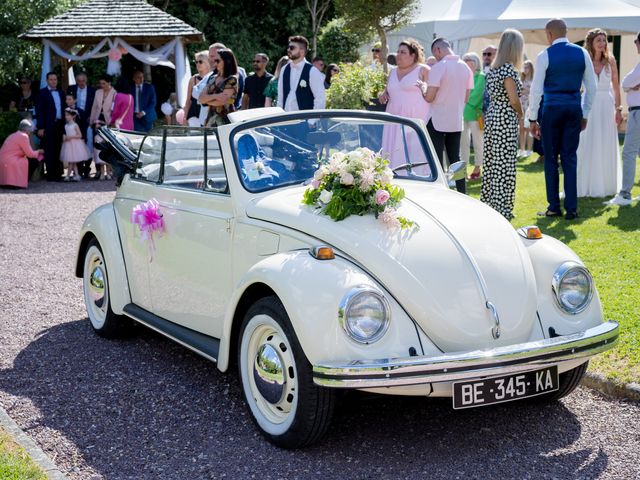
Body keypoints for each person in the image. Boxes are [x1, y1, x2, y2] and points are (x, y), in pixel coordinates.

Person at [529, 18, 597, 220]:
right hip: (573, 109)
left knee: (551, 158)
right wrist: (585, 113)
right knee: (570, 157)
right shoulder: (582, 53)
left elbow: (536, 90)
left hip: (551, 110)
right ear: (566, 32)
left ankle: (553, 207)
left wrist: (532, 118)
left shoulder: (545, 55)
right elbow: (591, 88)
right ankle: (572, 208)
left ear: (549, 34)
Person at [480, 29, 525, 220]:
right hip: (505, 118)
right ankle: (501, 207)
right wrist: (521, 114)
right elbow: (514, 100)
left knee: (492, 163)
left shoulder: (493, 69)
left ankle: (490, 204)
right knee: (503, 165)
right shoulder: (508, 70)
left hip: (493, 116)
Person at [576, 28, 622, 198]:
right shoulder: (584, 61)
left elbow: (616, 87)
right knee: (586, 141)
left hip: (606, 104)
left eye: (604, 40)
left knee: (604, 141)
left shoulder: (611, 61)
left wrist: (618, 109)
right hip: (588, 105)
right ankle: (585, 184)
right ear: (591, 43)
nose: (603, 43)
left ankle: (606, 185)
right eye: (599, 40)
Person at [425, 37, 474, 194]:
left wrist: (422, 88)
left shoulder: (439, 67)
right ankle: (461, 192)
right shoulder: (466, 68)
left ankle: (439, 191)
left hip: (437, 118)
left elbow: (429, 97)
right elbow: (467, 98)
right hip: (455, 118)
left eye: (435, 53)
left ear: (438, 50)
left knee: (437, 159)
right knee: (456, 159)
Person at [378, 39, 430, 169]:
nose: (398, 55)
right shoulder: (393, 72)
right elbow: (387, 91)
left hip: (413, 118)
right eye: (398, 51)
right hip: (393, 117)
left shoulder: (423, 70)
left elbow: (432, 93)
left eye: (403, 52)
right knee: (392, 149)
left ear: (413, 55)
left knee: (414, 152)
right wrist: (382, 95)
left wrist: (425, 87)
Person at [606, 32, 640, 206]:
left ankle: (625, 193)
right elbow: (628, 83)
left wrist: (632, 87)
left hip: (638, 111)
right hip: (636, 110)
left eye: (636, 41)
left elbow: (626, 83)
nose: (635, 44)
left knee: (628, 152)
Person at [277, 35, 325, 112]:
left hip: (305, 120)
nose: (289, 50)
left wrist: (311, 122)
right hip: (285, 119)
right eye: (288, 47)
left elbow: (320, 99)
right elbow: (280, 97)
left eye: (292, 48)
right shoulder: (284, 69)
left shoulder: (312, 71)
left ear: (302, 51)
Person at [36, 72, 65, 182]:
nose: (53, 81)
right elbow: (40, 111)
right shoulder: (42, 93)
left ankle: (58, 174)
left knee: (58, 149)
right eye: (51, 79)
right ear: (47, 81)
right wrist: (41, 127)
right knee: (49, 149)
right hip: (48, 125)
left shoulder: (61, 93)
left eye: (55, 79)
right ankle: (51, 174)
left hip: (59, 124)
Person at [199, 48, 239, 126]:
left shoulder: (232, 79)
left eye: (218, 61)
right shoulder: (212, 78)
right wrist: (216, 96)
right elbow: (200, 99)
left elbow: (222, 101)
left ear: (227, 61)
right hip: (210, 120)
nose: (215, 63)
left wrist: (207, 100)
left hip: (226, 122)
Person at [461, 52, 485, 180]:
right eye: (464, 59)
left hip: (476, 114)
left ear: (475, 62)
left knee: (478, 142)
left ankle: (477, 167)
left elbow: (476, 96)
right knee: (462, 143)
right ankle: (462, 170)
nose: (464, 61)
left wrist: (463, 102)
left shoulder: (481, 76)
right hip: (462, 114)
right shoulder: (462, 76)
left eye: (467, 59)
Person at [0, 119, 43, 189]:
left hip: (3, 161)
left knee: (29, 160)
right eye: (30, 130)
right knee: (34, 161)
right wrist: (39, 151)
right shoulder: (24, 136)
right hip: (11, 161)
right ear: (26, 130)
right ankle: (21, 183)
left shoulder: (12, 135)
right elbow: (30, 154)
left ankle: (7, 183)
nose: (30, 132)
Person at [68, 72, 95, 178]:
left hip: (88, 120)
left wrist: (91, 117)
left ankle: (87, 168)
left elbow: (95, 106)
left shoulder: (92, 91)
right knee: (77, 144)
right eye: (79, 81)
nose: (81, 83)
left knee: (88, 143)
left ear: (86, 80)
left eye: (83, 80)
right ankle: (78, 169)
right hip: (75, 120)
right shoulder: (72, 89)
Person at [89, 74, 116, 180]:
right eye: (100, 83)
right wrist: (91, 120)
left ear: (109, 83)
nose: (102, 85)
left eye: (104, 83)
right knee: (98, 144)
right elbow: (94, 107)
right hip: (97, 121)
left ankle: (109, 171)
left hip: (109, 121)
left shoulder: (115, 93)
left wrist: (113, 122)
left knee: (108, 145)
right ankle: (100, 171)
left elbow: (115, 110)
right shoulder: (98, 92)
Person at [60, 108, 90, 181]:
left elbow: (80, 135)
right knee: (72, 162)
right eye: (66, 115)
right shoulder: (66, 126)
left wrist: (70, 137)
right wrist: (65, 138)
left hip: (75, 144)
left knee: (71, 162)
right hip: (68, 145)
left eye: (68, 115)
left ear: (73, 116)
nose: (66, 117)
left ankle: (67, 176)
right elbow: (65, 135)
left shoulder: (75, 125)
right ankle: (77, 175)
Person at [182, 51, 210, 126]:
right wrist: (184, 118)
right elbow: (188, 101)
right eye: (196, 62)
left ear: (208, 62)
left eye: (200, 62)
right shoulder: (193, 79)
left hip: (208, 114)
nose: (197, 64)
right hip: (194, 114)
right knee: (194, 136)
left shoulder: (213, 78)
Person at [518, 60, 534, 157]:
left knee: (528, 128)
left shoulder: (534, 80)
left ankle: (529, 149)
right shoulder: (521, 80)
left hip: (529, 106)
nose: (525, 69)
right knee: (521, 128)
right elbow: (519, 91)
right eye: (524, 67)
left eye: (527, 67)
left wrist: (525, 90)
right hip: (521, 105)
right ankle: (522, 149)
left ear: (531, 68)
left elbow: (531, 91)